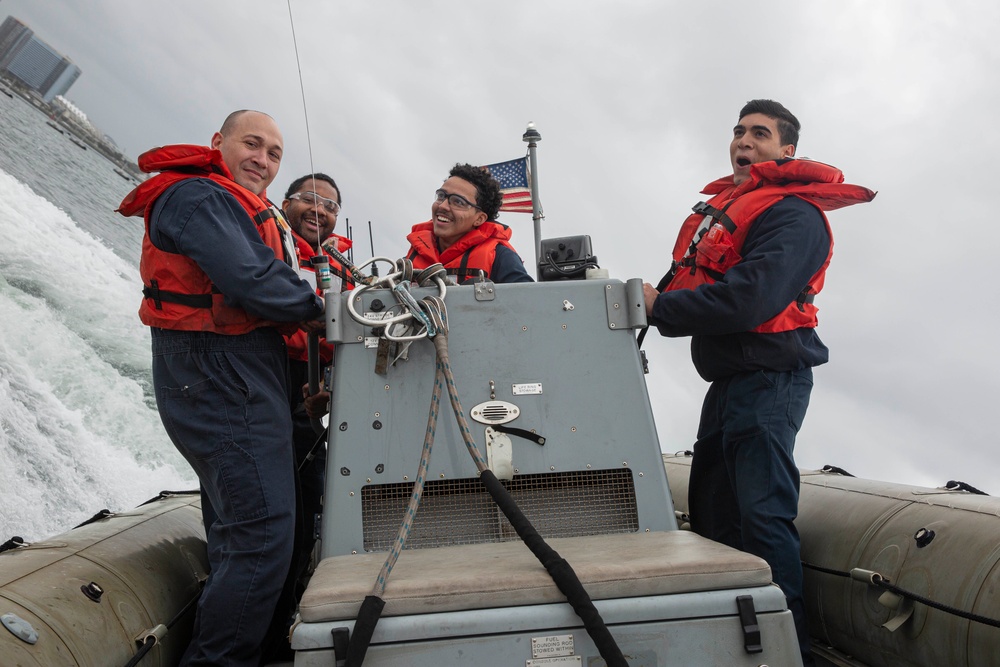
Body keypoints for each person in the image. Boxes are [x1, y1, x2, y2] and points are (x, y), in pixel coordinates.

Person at [641, 99, 875, 665]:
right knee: (715, 513)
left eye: (761, 133)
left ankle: (784, 651)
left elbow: (752, 298)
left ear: (787, 150)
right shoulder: (732, 207)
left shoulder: (794, 215)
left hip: (772, 381)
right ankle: (728, 645)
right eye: (740, 131)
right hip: (730, 384)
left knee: (762, 517)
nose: (745, 140)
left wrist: (659, 309)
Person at [117, 110, 325, 667]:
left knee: (244, 534)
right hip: (218, 372)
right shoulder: (199, 199)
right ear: (218, 143)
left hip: (241, 370)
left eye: (274, 153)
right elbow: (251, 278)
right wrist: (321, 315)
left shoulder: (230, 201)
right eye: (251, 144)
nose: (262, 159)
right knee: (261, 537)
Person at [261, 173, 355, 661]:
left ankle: (283, 623)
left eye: (331, 205)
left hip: (314, 390)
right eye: (310, 200)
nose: (320, 211)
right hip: (268, 371)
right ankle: (264, 632)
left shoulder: (342, 265)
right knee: (276, 516)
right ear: (286, 202)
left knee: (306, 508)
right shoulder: (267, 240)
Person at [406, 162, 533, 283]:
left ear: (479, 219)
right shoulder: (411, 258)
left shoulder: (500, 257)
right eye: (441, 196)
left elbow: (530, 302)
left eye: (458, 202)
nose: (443, 206)